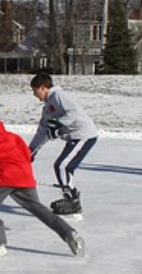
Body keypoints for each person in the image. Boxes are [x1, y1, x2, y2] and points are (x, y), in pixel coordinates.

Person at [0, 99, 85, 259]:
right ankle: (70, 233)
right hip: (24, 174)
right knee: (38, 209)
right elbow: (26, 155)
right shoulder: (12, 136)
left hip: (5, 176)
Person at [27, 72, 99, 217]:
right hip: (74, 137)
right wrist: (31, 151)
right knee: (64, 166)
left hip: (83, 135)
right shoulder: (47, 107)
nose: (34, 95)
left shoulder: (59, 96)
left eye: (34, 91)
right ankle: (71, 197)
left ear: (42, 88)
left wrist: (59, 123)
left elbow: (74, 113)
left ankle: (72, 200)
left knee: (62, 166)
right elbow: (43, 131)